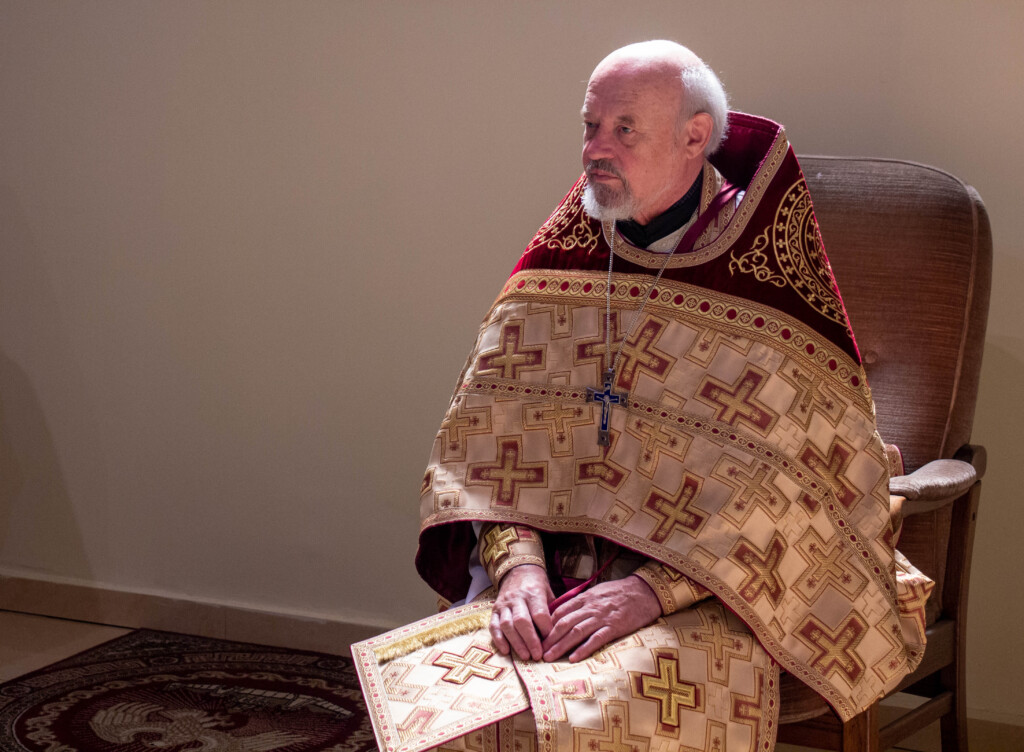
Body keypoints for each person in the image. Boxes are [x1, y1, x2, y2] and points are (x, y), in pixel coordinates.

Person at [357, 40, 933, 752]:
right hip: (552, 576)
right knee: (452, 717)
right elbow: (482, 449)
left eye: (622, 129)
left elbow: (792, 492)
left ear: (695, 136)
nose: (594, 149)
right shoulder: (558, 264)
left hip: (713, 594)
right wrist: (519, 570)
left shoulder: (768, 285)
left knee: (592, 719)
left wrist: (652, 592)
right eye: (589, 126)